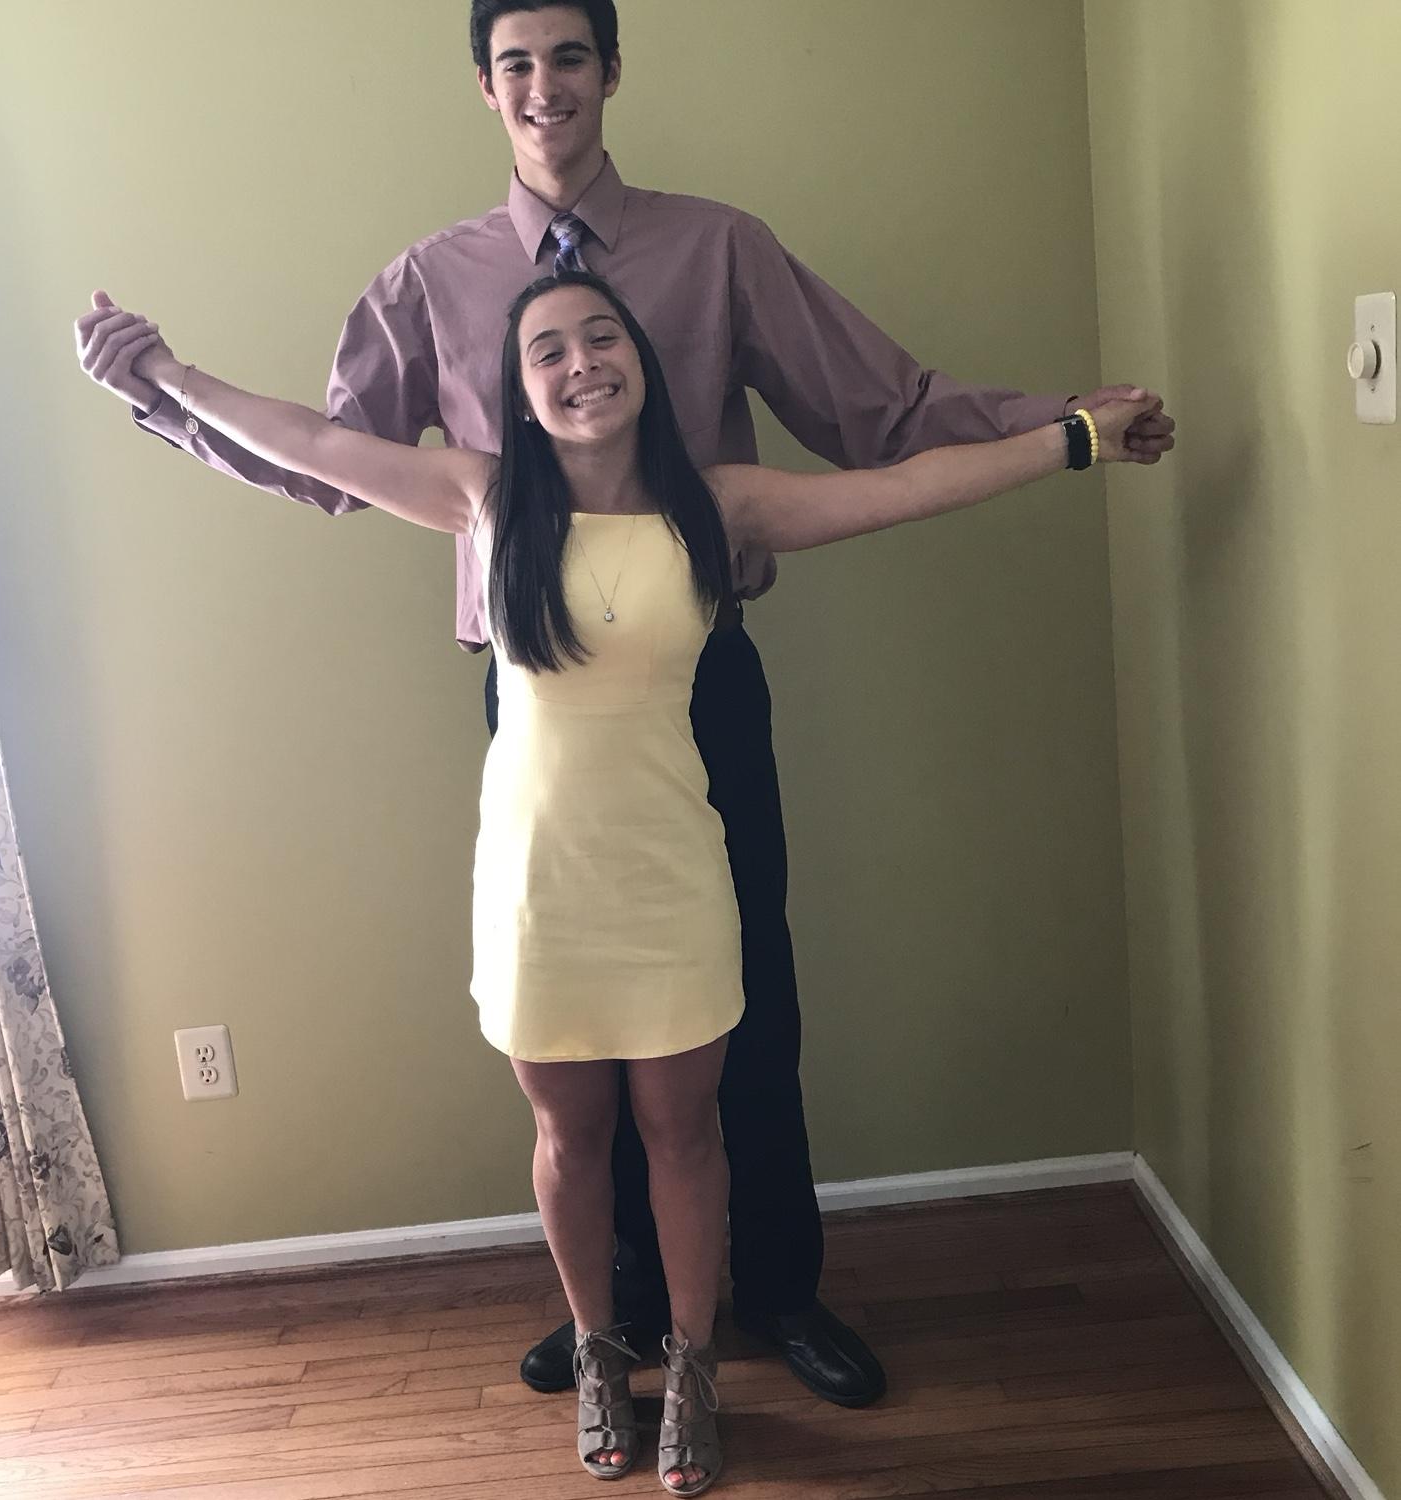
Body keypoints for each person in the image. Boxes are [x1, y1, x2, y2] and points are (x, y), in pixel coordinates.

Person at [75, 0, 1176, 1415]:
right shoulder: (431, 282)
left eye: (570, 56)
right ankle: (626, 1318)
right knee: (578, 1028)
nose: (546, 86)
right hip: (536, 694)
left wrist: (1062, 426)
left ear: (610, 70)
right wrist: (162, 391)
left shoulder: (720, 250)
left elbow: (888, 423)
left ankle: (775, 1291)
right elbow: (327, 455)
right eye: (516, 63)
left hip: (697, 671)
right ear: (486, 88)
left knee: (739, 997)